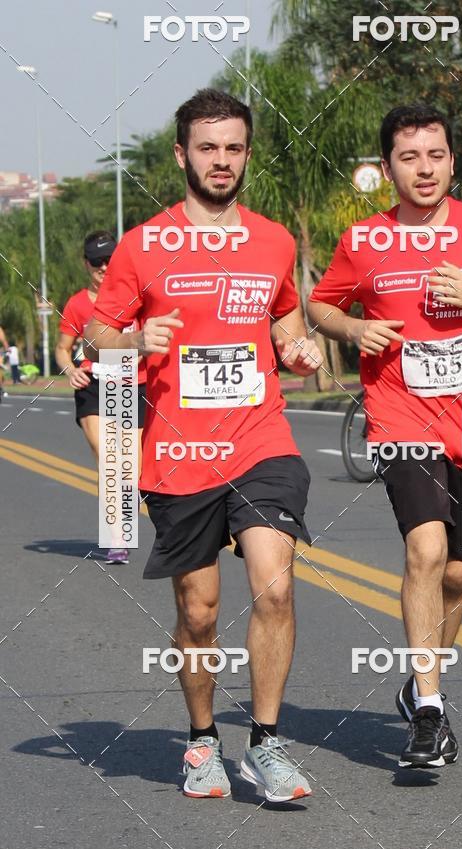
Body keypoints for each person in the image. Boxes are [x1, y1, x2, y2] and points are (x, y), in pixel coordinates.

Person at [84, 89, 323, 802]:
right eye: (208, 148)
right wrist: (132, 338)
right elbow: (97, 331)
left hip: (261, 438)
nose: (222, 161)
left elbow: (281, 316)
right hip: (178, 453)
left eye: (234, 148)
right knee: (199, 612)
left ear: (247, 154)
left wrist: (297, 346)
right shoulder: (143, 245)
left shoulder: (274, 240)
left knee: (273, 585)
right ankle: (200, 742)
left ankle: (269, 744)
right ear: (182, 154)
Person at [309, 105, 462, 769]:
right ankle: (428, 706)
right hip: (400, 414)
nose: (424, 168)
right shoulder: (365, 240)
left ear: (451, 160)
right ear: (386, 166)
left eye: (436, 155)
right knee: (425, 549)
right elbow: (322, 303)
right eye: (409, 157)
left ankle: (427, 681)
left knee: (455, 571)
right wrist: (356, 331)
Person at [55, 232, 147, 564]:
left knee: (132, 468)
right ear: (86, 264)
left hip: (135, 384)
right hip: (94, 385)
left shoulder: (137, 297)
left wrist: (142, 350)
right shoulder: (78, 304)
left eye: (109, 259)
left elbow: (151, 336)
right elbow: (63, 350)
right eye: (97, 262)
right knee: (110, 458)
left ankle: (122, 518)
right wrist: (70, 371)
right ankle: (117, 538)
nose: (104, 267)